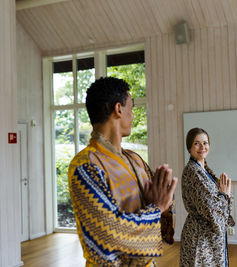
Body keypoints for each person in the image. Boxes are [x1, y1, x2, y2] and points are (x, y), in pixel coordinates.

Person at [68, 77, 177, 267]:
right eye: (131, 108)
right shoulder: (85, 165)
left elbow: (162, 206)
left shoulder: (135, 159)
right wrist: (156, 208)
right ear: (118, 109)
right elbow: (108, 235)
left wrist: (161, 203)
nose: (133, 115)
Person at [180, 128, 235, 267]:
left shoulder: (203, 170)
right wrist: (225, 195)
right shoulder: (194, 172)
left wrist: (224, 196)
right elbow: (210, 208)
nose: (202, 147)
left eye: (205, 143)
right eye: (197, 143)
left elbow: (215, 203)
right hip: (200, 237)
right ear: (189, 147)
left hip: (206, 237)